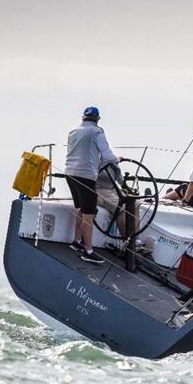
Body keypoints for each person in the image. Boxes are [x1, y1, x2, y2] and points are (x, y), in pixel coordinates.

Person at [65, 106, 120, 265]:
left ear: (83, 117)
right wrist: (117, 159)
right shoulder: (97, 132)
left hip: (70, 173)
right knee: (89, 213)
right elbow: (107, 154)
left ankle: (76, 241)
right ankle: (88, 251)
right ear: (97, 119)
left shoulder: (73, 131)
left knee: (80, 209)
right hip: (86, 176)